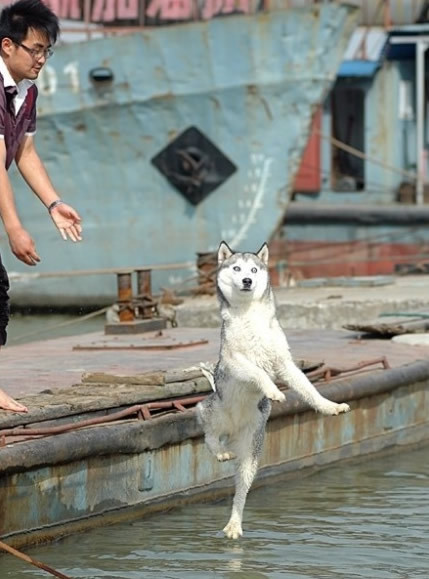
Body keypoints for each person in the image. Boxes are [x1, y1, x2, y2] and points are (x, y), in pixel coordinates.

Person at [0, 0, 82, 412]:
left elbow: (25, 152)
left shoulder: (25, 93)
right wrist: (14, 227)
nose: (42, 59)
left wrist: (54, 203)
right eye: (35, 49)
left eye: (47, 51)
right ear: (7, 46)